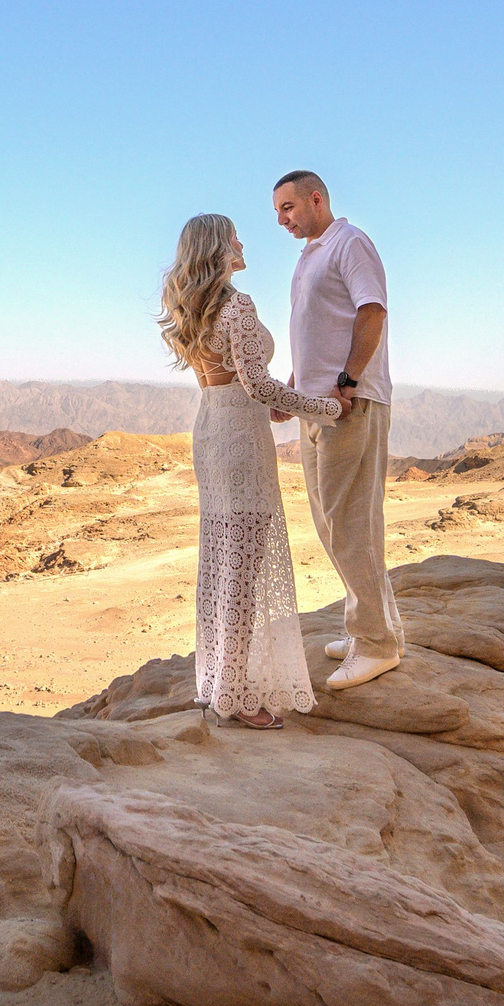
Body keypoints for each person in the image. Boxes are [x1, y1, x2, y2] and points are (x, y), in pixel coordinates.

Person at [155, 212, 343, 729]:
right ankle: (236, 695)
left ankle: (220, 681)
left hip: (211, 430)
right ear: (218, 247)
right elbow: (257, 385)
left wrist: (271, 406)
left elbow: (230, 385)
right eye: (234, 236)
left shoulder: (192, 307)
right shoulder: (236, 305)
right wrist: (325, 409)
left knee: (223, 560)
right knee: (243, 567)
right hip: (239, 442)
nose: (242, 242)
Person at [271, 170, 403, 690]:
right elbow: (316, 331)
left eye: (287, 208)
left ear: (315, 199)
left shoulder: (350, 243)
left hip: (349, 405)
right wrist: (293, 388)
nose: (281, 220)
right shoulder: (310, 255)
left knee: (350, 525)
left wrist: (347, 382)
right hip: (315, 406)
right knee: (333, 524)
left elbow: (372, 312)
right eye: (278, 212)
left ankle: (376, 645)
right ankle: (375, 629)